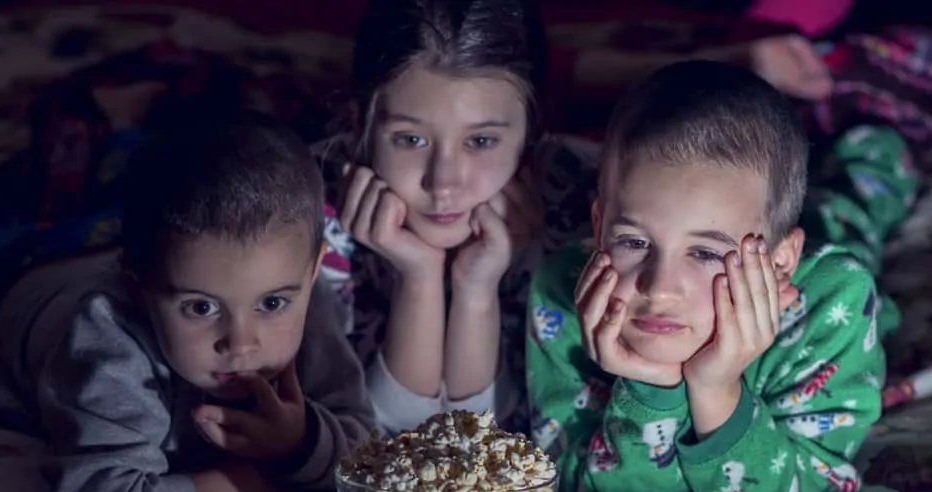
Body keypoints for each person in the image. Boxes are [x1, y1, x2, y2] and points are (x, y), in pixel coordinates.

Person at [315, 0, 837, 437]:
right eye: (410, 139)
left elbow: (496, 449)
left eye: (482, 141)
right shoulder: (309, 218)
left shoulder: (605, 213)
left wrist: (477, 287)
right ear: (362, 126)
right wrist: (420, 280)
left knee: (844, 208)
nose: (444, 181)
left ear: (533, 131)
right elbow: (394, 446)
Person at [526, 60, 918, 492]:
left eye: (706, 252)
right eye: (633, 241)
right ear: (598, 228)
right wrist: (652, 390)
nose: (659, 286)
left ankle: (873, 148)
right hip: (766, 233)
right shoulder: (561, 292)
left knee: (848, 216)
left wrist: (718, 392)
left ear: (779, 263)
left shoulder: (834, 300)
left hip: (816, 268)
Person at [0, 111, 376, 492]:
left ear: (313, 270)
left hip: (142, 250)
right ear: (138, 292)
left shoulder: (305, 300)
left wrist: (299, 442)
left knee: (113, 191)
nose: (241, 344)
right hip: (28, 273)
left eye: (272, 303)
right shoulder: (109, 344)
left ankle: (111, 140)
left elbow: (367, 451)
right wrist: (264, 477)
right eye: (201, 309)